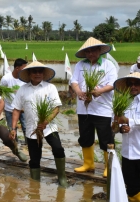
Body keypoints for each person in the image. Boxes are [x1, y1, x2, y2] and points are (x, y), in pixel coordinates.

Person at [10, 61, 68, 187]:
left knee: (58, 149)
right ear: (29, 74)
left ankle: (62, 178)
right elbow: (16, 110)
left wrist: (46, 121)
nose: (37, 74)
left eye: (40, 71)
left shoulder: (50, 87)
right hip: (32, 128)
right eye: (34, 71)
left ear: (43, 73)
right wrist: (13, 128)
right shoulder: (23, 90)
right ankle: (35, 185)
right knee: (35, 159)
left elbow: (56, 108)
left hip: (49, 127)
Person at [70, 37, 117, 178]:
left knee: (106, 138)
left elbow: (112, 83)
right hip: (84, 109)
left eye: (93, 51)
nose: (90, 54)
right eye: (87, 51)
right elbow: (74, 81)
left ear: (99, 51)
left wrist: (100, 91)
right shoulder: (80, 65)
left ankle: (109, 167)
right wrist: (78, 92)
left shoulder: (108, 65)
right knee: (85, 136)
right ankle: (88, 163)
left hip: (103, 109)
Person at [113, 72, 140, 202]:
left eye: (137, 84)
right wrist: (121, 128)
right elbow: (114, 125)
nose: (133, 87)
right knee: (131, 186)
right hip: (127, 152)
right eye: (130, 84)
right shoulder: (123, 102)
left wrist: (128, 120)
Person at [0, 58, 27, 144]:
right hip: (10, 108)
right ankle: (15, 145)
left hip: (23, 108)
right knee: (12, 128)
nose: (25, 71)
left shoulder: (25, 79)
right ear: (17, 68)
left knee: (26, 127)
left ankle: (28, 143)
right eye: (23, 68)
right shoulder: (6, 79)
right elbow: (1, 93)